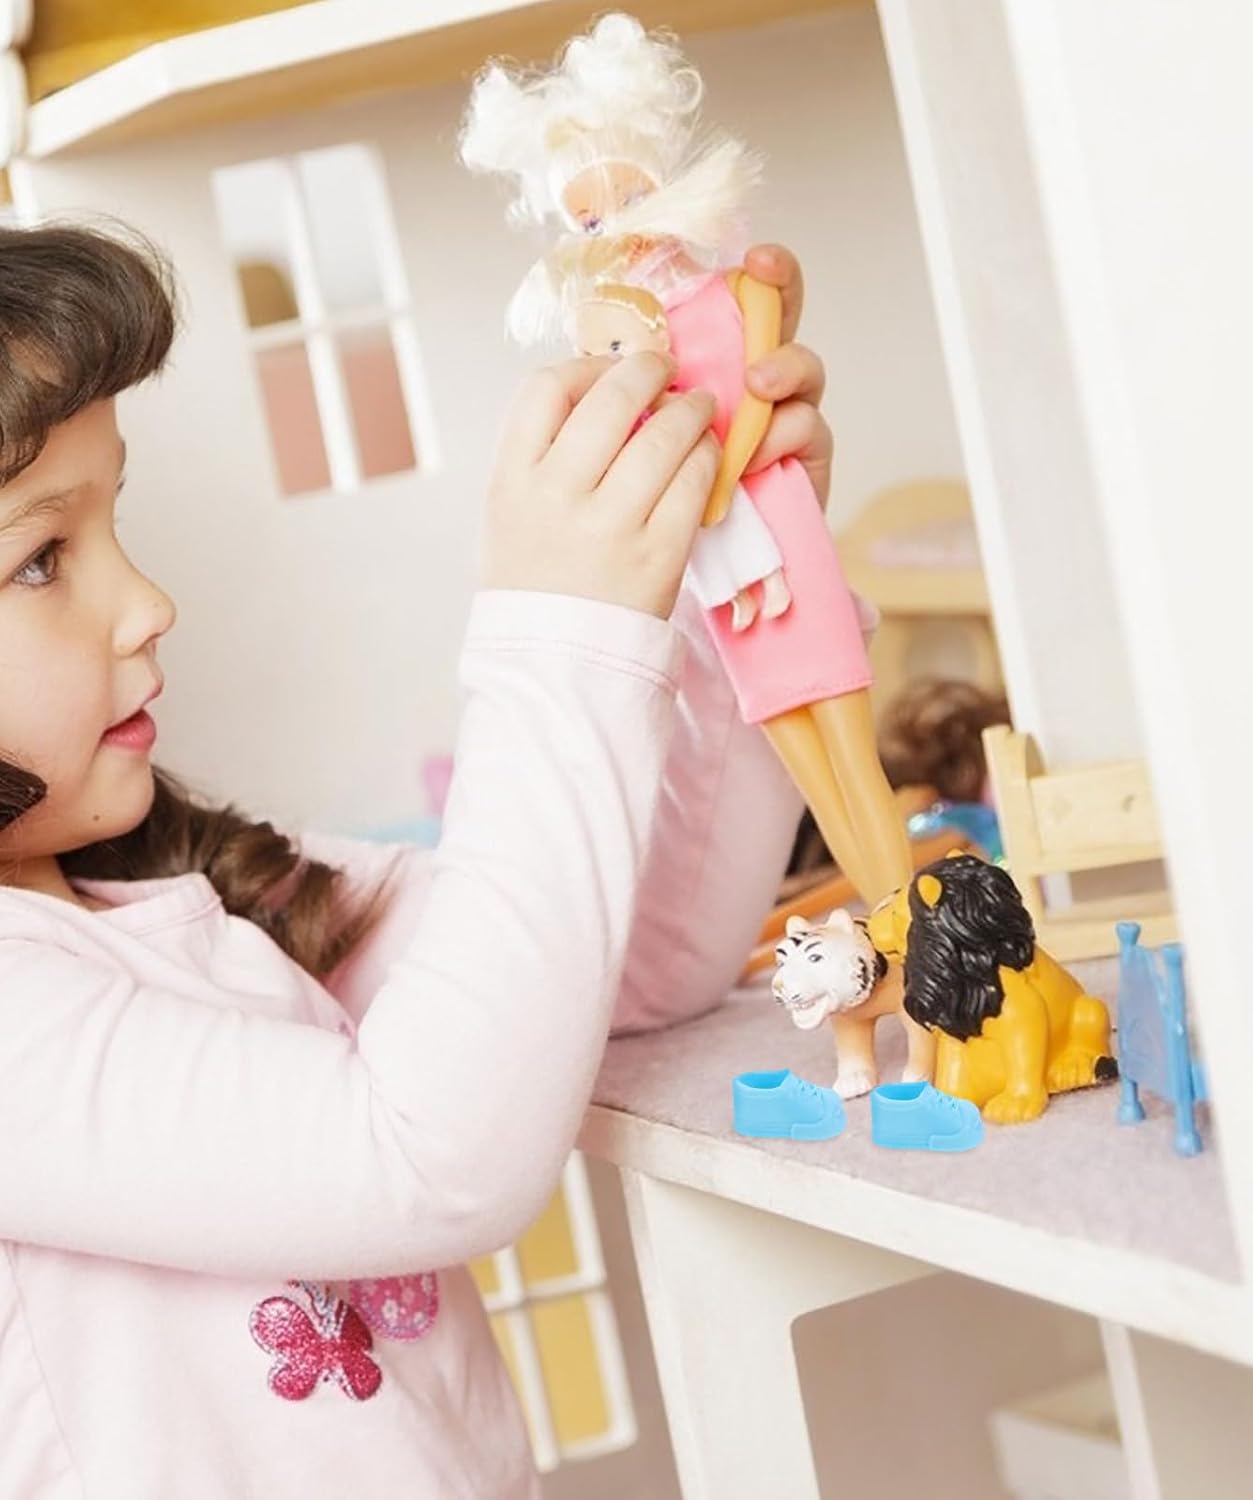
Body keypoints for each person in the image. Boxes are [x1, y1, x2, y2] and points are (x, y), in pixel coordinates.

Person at [0, 220, 831, 1497]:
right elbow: (430, 1159)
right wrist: (560, 633)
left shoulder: (181, 892)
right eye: (42, 558)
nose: (148, 604)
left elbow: (635, 962)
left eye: (115, 521)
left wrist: (741, 575)